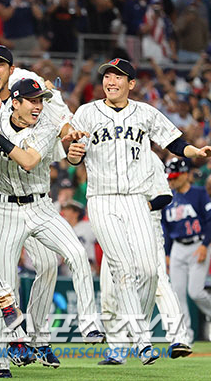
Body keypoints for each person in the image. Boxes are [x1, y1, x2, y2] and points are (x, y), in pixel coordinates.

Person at [67, 58, 211, 365]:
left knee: (148, 271)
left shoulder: (144, 112)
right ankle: (143, 340)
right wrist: (73, 154)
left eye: (119, 77)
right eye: (107, 75)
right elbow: (73, 151)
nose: (111, 81)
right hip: (103, 198)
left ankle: (134, 330)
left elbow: (174, 141)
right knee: (121, 268)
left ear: (131, 84)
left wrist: (195, 152)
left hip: (136, 200)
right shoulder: (87, 112)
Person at [0, 78, 104, 378]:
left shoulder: (45, 124)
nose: (38, 106)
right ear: (14, 102)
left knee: (75, 254)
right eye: (32, 100)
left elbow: (29, 160)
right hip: (4, 210)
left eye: (40, 100)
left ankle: (89, 323)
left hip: (41, 206)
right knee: (4, 290)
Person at [0, 44, 62, 370]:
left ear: (10, 71)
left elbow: (55, 138)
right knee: (4, 278)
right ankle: (0, 359)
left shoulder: (30, 107)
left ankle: (38, 338)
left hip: (31, 198)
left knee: (48, 262)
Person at [99, 152, 192, 365]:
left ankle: (178, 338)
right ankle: (117, 350)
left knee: (157, 281)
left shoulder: (149, 158)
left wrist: (138, 209)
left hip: (146, 223)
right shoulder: (106, 152)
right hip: (113, 225)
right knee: (109, 290)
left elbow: (164, 195)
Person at [162, 158, 211, 345]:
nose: (171, 181)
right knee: (177, 294)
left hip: (198, 244)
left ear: (184, 174)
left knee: (196, 292)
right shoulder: (168, 197)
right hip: (177, 248)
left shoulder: (198, 193)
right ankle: (184, 337)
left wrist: (205, 244)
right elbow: (165, 229)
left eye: (174, 177)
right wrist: (166, 253)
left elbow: (209, 221)